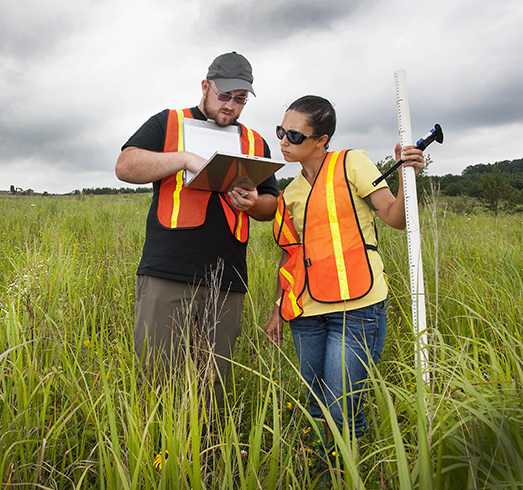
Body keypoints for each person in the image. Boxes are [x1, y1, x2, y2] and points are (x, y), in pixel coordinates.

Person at [116, 52, 280, 411]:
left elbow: (271, 205)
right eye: (225, 96)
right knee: (159, 381)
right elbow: (125, 166)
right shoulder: (168, 123)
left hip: (227, 281)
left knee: (214, 386)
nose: (232, 107)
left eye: (241, 100)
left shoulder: (254, 142)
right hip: (167, 272)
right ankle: (160, 458)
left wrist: (253, 203)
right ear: (206, 87)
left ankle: (207, 460)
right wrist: (183, 158)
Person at [264, 95, 424, 451]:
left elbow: (395, 218)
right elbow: (289, 257)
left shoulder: (352, 163)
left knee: (340, 408)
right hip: (305, 314)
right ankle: (340, 454)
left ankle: (335, 471)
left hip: (357, 310)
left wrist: (407, 174)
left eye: (294, 135)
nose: (284, 142)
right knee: (317, 404)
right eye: (281, 132)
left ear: (321, 140)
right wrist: (277, 307)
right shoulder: (289, 193)